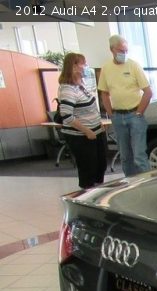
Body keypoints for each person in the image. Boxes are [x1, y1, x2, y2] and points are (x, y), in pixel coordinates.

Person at [98, 35, 152, 176]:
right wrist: (111, 114)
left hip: (135, 115)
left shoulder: (133, 66)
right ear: (112, 50)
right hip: (118, 116)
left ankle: (148, 185)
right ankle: (130, 185)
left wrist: (139, 113)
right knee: (125, 157)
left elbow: (148, 92)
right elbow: (104, 93)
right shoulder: (106, 69)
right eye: (121, 50)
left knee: (139, 156)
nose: (124, 54)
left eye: (126, 50)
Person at [57, 52, 107, 189]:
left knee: (100, 166)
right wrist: (87, 131)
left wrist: (98, 124)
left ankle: (98, 192)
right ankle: (88, 196)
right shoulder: (67, 88)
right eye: (82, 64)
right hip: (81, 136)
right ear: (73, 66)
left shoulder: (81, 84)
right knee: (88, 169)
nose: (85, 66)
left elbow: (90, 107)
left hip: (96, 131)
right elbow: (67, 116)